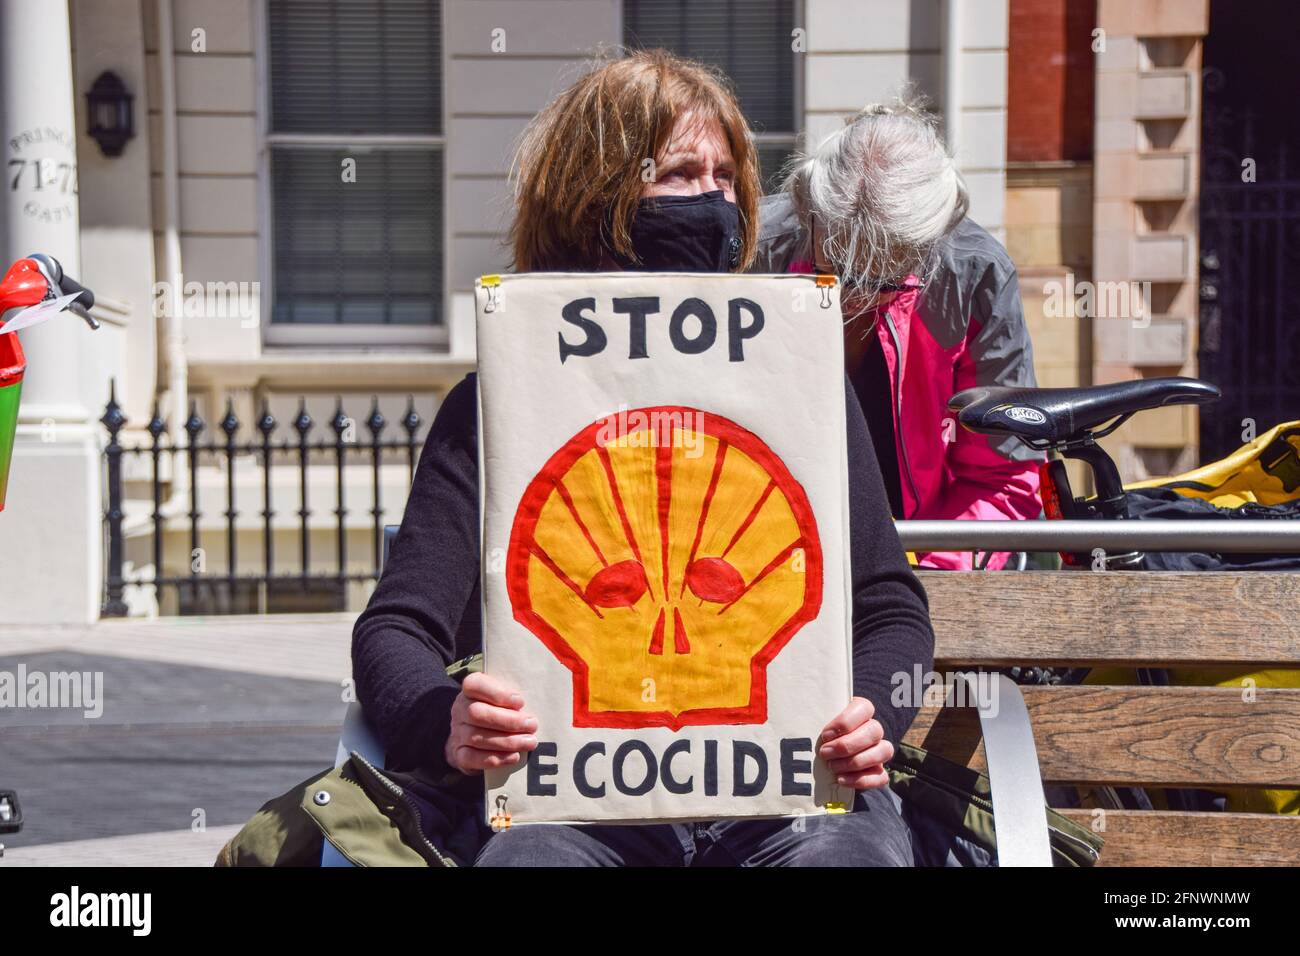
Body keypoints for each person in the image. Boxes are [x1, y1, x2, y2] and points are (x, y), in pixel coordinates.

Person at [351, 51, 935, 867]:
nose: (712, 200)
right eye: (678, 174)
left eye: (726, 177)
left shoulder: (806, 391)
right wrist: (442, 717)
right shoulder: (492, 407)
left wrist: (871, 710)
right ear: (596, 195)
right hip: (571, 810)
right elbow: (396, 627)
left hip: (792, 802)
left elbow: (887, 606)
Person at [754, 95, 1044, 570]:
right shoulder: (754, 251)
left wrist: (925, 582)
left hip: (916, 555)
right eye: (837, 271)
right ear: (809, 209)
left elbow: (1001, 476)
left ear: (931, 243)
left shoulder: (975, 272)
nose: (856, 297)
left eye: (883, 281)